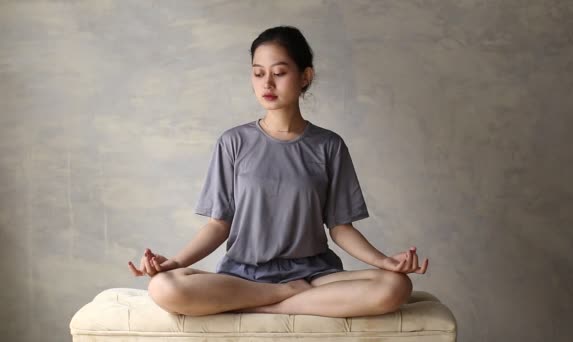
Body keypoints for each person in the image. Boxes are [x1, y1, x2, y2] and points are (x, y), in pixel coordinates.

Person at [128, 25, 429, 318]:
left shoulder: (329, 145)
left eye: (280, 72)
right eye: (258, 73)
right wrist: (175, 262)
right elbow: (219, 224)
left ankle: (269, 305)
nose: (267, 83)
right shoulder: (233, 142)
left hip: (314, 274)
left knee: (395, 285)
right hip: (244, 275)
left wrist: (385, 261)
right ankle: (281, 294)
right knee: (164, 287)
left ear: (305, 77)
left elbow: (340, 228)